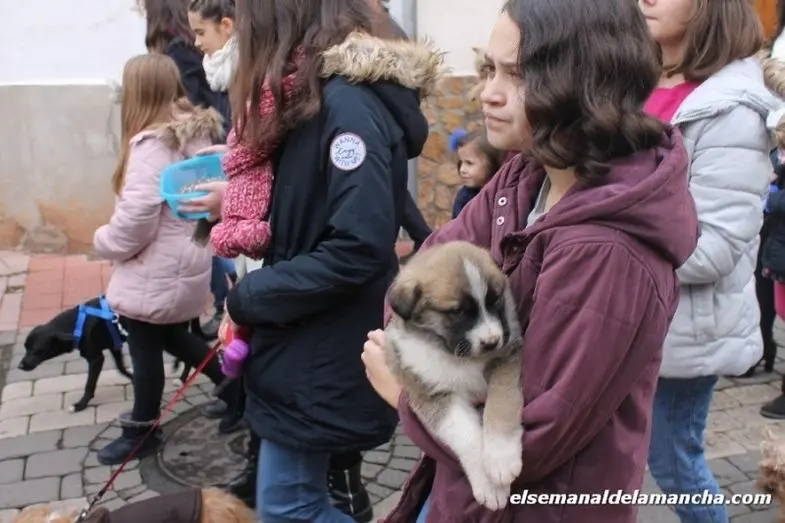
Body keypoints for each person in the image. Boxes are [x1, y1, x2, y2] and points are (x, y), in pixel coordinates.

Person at [361, 0, 700, 521]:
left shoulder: (606, 252)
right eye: (488, 68)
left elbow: (531, 440)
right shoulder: (526, 174)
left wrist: (409, 392)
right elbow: (418, 283)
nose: (487, 93)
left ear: (585, 81)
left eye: (517, 75)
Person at [215, 1, 439, 521]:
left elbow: (358, 244)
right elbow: (322, 204)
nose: (241, 31)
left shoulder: (346, 105)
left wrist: (251, 296)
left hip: (321, 344)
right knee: (292, 502)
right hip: (307, 338)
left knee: (289, 507)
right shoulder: (314, 95)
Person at [638, 1, 778, 520]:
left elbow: (711, 249)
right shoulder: (638, 81)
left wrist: (608, 248)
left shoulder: (730, 105)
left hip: (686, 326)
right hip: (634, 313)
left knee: (674, 461)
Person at [92, 54, 239, 466]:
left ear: (138, 94)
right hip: (187, 261)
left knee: (144, 348)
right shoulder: (194, 131)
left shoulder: (152, 145)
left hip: (154, 268)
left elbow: (135, 221)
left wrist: (103, 241)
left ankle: (141, 432)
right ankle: (233, 387)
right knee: (172, 335)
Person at [448, 128, 505, 218]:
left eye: (469, 163)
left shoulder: (503, 194)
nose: (462, 169)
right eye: (461, 162)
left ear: (491, 163)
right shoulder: (464, 197)